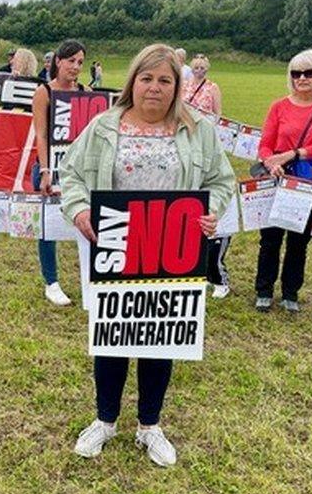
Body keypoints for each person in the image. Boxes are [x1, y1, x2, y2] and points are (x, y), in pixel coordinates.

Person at [60, 43, 234, 466]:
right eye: (146, 78)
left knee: (159, 337)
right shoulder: (104, 127)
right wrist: (80, 209)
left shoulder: (199, 130)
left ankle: (150, 425)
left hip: (172, 251)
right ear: (132, 81)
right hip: (117, 247)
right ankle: (105, 420)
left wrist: (209, 211)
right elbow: (71, 174)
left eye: (164, 80)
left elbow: (222, 179)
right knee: (113, 337)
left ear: (177, 87)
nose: (154, 88)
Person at [254, 50, 312, 313]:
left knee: (298, 240)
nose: (301, 78)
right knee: (270, 237)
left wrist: (294, 154)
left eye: (308, 73)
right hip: (276, 177)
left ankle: (291, 291)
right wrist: (271, 163)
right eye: (296, 73)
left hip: (308, 178)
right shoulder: (278, 106)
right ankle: (264, 289)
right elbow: (265, 145)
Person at [31, 39, 88, 306]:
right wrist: (45, 170)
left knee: (86, 222)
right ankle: (51, 282)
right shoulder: (44, 91)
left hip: (78, 171)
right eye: (71, 61)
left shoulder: (86, 91)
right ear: (58, 61)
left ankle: (89, 277)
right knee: (49, 227)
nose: (75, 67)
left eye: (80, 63)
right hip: (49, 166)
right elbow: (41, 134)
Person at [180, 53, 230, 297]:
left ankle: (214, 273)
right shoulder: (184, 86)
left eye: (202, 67)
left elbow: (218, 115)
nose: (199, 70)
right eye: (196, 67)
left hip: (204, 137)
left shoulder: (213, 88)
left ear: (207, 69)